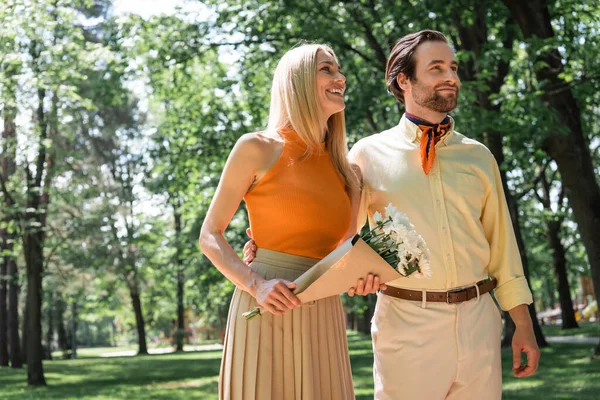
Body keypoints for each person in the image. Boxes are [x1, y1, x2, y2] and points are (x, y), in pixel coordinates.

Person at [347, 30, 540, 399]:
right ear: (404, 79)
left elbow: (503, 247)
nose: (451, 76)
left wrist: (522, 324)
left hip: (480, 322)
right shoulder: (366, 156)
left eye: (453, 67)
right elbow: (345, 240)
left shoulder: (479, 156)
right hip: (406, 323)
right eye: (436, 68)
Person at [199, 43, 374, 400]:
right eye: (326, 69)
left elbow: (347, 252)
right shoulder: (257, 148)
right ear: (297, 81)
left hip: (323, 310)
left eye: (339, 70)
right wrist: (256, 285)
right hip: (265, 304)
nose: (340, 77)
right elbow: (210, 235)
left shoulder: (349, 172)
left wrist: (365, 278)